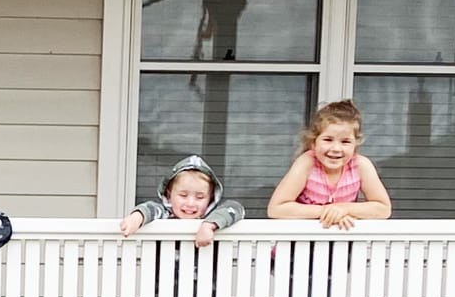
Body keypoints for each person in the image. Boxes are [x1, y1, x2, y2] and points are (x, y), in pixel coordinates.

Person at [267, 100, 392, 228]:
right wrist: (328, 212)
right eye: (328, 140)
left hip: (341, 243)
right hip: (300, 244)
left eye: (345, 142)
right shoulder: (307, 163)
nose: (336, 148)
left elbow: (383, 208)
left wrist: (344, 209)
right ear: (313, 143)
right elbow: (276, 208)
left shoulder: (361, 166)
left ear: (356, 145)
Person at [119, 155, 245, 247]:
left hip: (203, 281)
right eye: (183, 195)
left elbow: (236, 207)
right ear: (169, 195)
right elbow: (150, 208)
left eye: (200, 197)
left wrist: (209, 226)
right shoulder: (165, 213)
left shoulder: (211, 215)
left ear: (211, 198)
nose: (190, 203)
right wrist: (136, 217)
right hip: (163, 281)